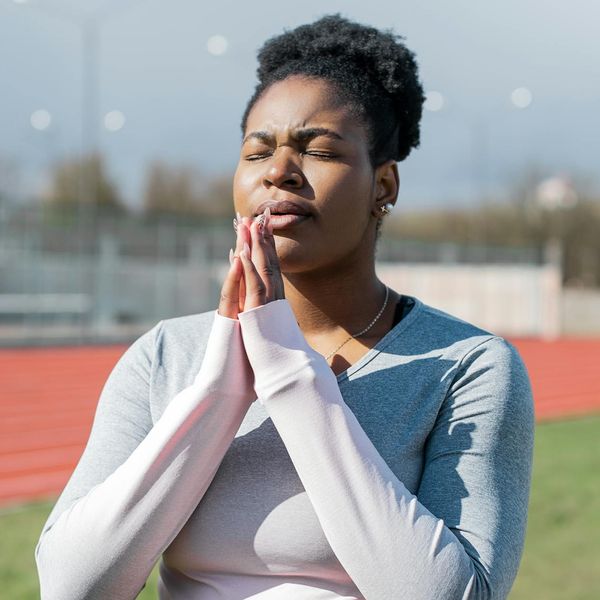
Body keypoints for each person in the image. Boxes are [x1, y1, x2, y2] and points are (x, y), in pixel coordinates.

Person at [35, 14, 534, 600]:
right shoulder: (165, 356)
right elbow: (72, 587)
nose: (278, 172)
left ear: (385, 186)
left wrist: (288, 375)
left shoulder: (469, 366)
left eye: (318, 149)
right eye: (257, 152)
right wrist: (217, 393)